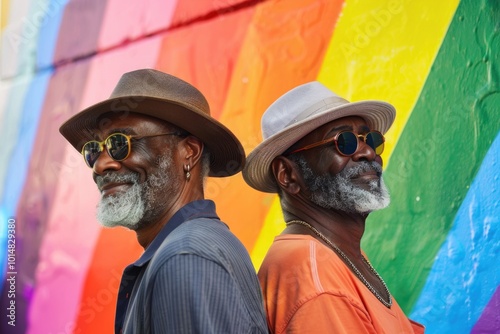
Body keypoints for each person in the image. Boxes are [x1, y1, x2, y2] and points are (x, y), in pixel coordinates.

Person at [59, 69, 268, 334]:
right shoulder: (188, 247)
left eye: (120, 143)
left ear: (188, 152)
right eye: (93, 151)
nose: (100, 165)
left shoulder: (186, 257)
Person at [242, 82, 425, 333]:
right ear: (288, 174)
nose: (368, 152)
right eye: (345, 142)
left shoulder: (334, 254)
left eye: (370, 139)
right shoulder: (314, 272)